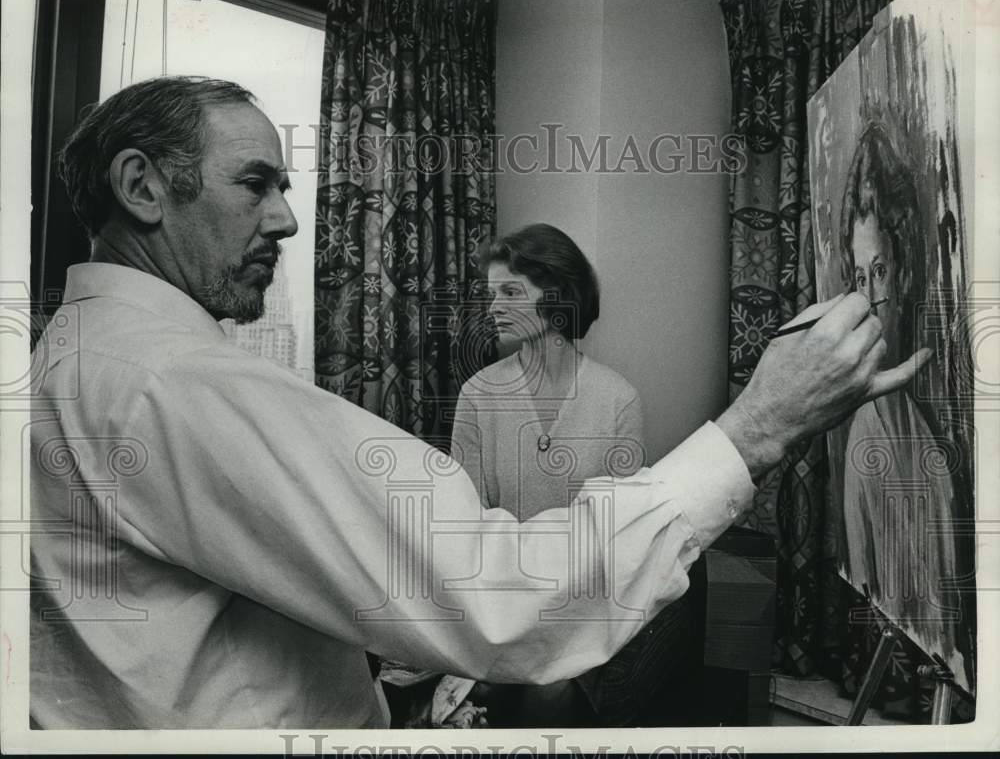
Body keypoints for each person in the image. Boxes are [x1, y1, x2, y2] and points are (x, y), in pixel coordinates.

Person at [29, 75, 927, 729]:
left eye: (285, 188)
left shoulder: (69, 358)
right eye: (255, 182)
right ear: (142, 186)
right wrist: (758, 425)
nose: (289, 221)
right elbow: (487, 584)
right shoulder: (171, 382)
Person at [448, 224, 696, 726]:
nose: (492, 307)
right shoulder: (478, 394)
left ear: (557, 297)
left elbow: (617, 541)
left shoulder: (616, 399)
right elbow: (466, 532)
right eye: (490, 293)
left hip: (584, 604)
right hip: (503, 602)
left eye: (511, 292)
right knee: (483, 699)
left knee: (553, 696)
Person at [837, 123, 969, 690]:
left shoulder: (933, 440)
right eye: (858, 277)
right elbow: (863, 579)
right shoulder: (863, 431)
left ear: (906, 273)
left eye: (881, 273)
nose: (869, 299)